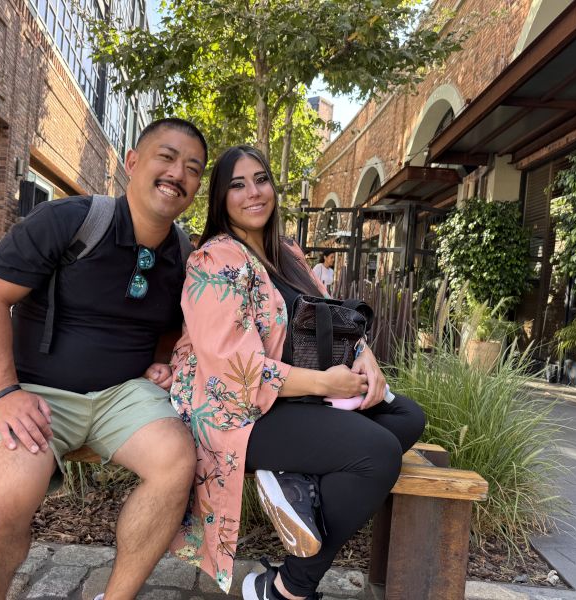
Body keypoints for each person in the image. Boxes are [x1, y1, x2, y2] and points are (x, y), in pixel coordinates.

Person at [0, 118, 207, 600]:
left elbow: (173, 322)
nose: (178, 173)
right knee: (2, 506)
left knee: (176, 462)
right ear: (132, 162)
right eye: (167, 157)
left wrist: (161, 360)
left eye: (193, 168)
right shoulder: (69, 220)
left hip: (125, 396)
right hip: (36, 392)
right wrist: (5, 394)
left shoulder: (182, 254)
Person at [168, 146, 425, 600]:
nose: (253, 192)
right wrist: (326, 382)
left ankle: (297, 481)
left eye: (261, 180)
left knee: (405, 417)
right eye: (237, 185)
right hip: (236, 410)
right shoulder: (215, 260)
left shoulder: (287, 253)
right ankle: (289, 589)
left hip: (295, 395)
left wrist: (364, 355)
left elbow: (331, 317)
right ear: (220, 199)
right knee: (378, 453)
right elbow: (234, 370)